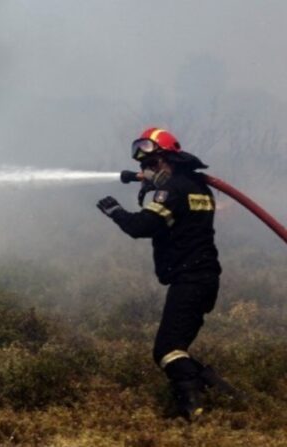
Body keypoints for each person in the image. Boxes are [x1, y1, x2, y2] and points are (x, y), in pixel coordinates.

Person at [96, 127, 237, 420]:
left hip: (190, 280)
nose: (148, 170)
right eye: (144, 166)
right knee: (176, 348)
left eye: (152, 163)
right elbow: (176, 216)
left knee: (166, 350)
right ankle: (226, 393)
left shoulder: (172, 190)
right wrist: (151, 186)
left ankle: (194, 410)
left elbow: (141, 227)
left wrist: (114, 211)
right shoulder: (197, 187)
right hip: (203, 279)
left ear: (169, 159)